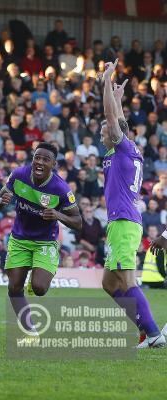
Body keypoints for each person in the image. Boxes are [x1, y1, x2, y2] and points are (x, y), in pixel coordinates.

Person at [102, 60, 165, 348]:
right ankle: (145, 329)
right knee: (109, 283)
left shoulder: (122, 146)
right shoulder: (129, 150)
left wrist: (105, 80)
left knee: (127, 281)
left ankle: (153, 333)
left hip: (124, 222)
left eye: (106, 131)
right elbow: (118, 119)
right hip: (121, 222)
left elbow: (113, 120)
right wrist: (117, 97)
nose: (104, 134)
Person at [0, 142, 82, 336]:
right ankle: (30, 330)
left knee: (39, 288)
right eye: (37, 157)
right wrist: (0, 201)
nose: (40, 162)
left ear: (54, 164)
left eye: (45, 159)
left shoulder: (61, 189)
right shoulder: (18, 175)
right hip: (19, 239)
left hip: (45, 241)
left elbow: (78, 221)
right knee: (14, 288)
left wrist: (59, 215)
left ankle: (34, 280)